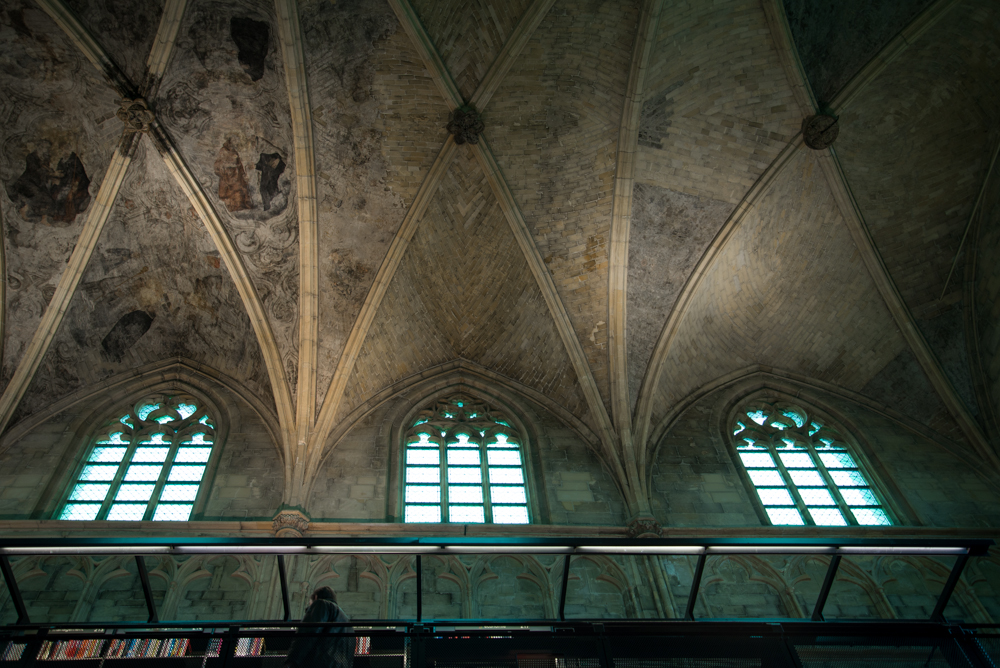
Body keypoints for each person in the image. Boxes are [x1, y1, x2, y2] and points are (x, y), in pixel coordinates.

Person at [283, 586, 354, 668]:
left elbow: (308, 634)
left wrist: (291, 661)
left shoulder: (321, 604)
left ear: (315, 597)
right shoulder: (346, 621)